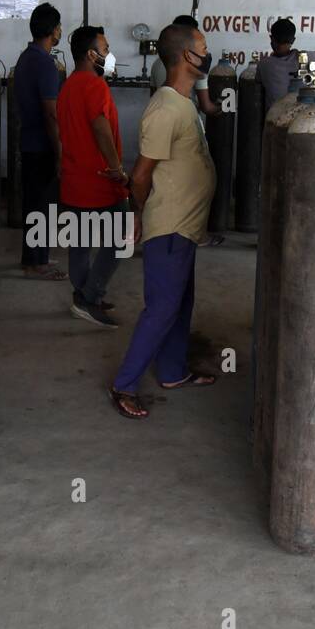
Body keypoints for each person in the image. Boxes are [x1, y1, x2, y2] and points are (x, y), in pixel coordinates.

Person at [110, 23, 218, 420]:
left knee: (181, 304)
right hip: (169, 227)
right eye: (203, 48)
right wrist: (139, 214)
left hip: (187, 227)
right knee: (161, 308)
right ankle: (124, 383)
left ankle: (172, 372)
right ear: (187, 57)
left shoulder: (184, 103)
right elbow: (140, 176)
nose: (208, 54)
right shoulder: (165, 107)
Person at [57, 25, 129, 329]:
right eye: (106, 48)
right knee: (121, 237)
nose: (109, 54)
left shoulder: (68, 85)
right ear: (91, 54)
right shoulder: (95, 85)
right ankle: (90, 296)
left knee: (81, 243)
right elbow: (100, 127)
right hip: (100, 180)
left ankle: (83, 296)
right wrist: (116, 170)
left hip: (73, 179)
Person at [15, 3, 66, 280]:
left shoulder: (25, 57)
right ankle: (38, 265)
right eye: (58, 26)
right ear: (52, 30)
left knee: (33, 204)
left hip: (29, 141)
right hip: (42, 145)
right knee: (43, 207)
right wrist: (59, 152)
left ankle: (33, 257)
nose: (60, 31)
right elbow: (51, 112)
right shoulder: (45, 63)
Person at [149, 14, 219, 116]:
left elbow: (152, 96)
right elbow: (207, 107)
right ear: (189, 55)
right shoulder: (195, 68)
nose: (206, 55)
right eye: (203, 48)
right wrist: (224, 105)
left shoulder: (156, 64)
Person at [257, 17, 301, 109]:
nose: (280, 45)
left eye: (283, 41)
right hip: (298, 117)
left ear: (271, 38)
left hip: (274, 118)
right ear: (293, 40)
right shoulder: (305, 57)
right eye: (279, 40)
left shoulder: (264, 64)